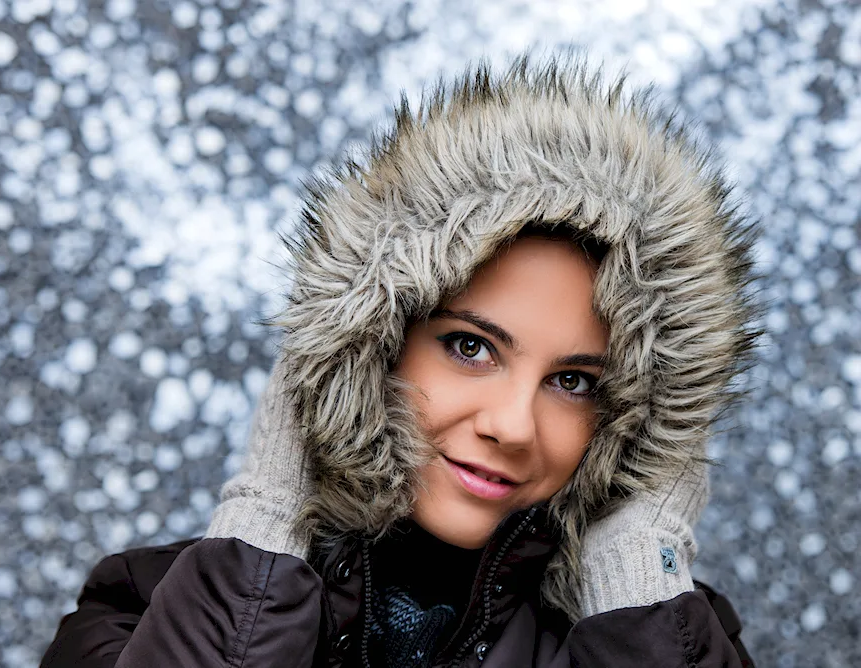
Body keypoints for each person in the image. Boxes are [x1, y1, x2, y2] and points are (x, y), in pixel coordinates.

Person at [40, 55, 757, 667]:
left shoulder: (670, 633)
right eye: (470, 347)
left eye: (573, 382)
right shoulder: (141, 609)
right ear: (371, 344)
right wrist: (263, 533)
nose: (512, 425)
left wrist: (637, 571)